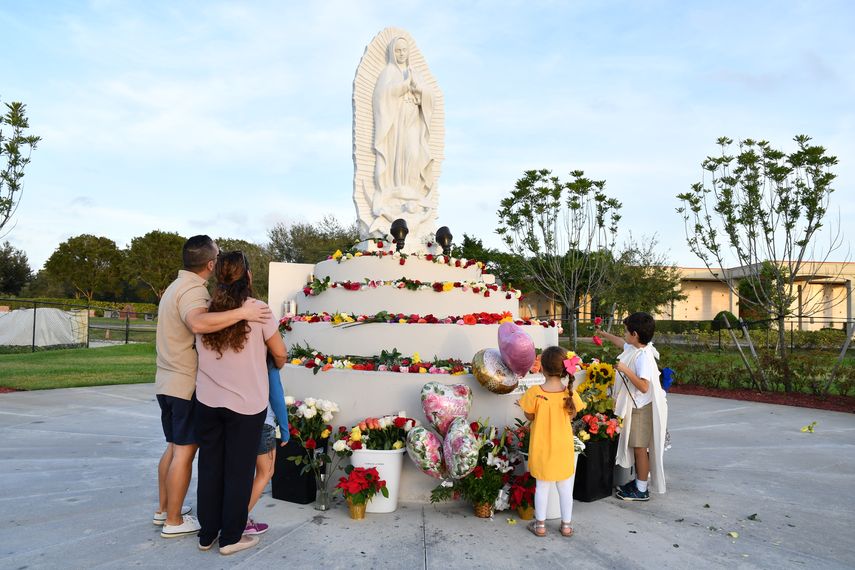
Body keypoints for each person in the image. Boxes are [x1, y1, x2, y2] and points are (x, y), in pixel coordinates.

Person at [155, 235, 271, 538]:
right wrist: (243, 313)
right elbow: (198, 324)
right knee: (184, 453)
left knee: (173, 448)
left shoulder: (174, 286)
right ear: (210, 264)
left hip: (166, 381)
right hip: (184, 383)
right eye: (218, 256)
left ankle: (164, 510)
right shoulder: (194, 292)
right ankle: (174, 521)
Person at [194, 251, 286, 555]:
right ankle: (231, 537)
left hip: (208, 401)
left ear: (218, 275)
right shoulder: (258, 309)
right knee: (238, 471)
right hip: (246, 405)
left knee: (209, 467)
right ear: (247, 275)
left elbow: (197, 326)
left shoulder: (206, 310)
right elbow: (281, 353)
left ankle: (207, 534)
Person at [597, 312, 668, 501]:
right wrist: (604, 334)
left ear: (635, 334)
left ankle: (641, 489)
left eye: (626, 331)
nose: (624, 334)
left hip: (640, 408)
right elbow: (622, 343)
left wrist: (626, 370)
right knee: (637, 446)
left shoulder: (643, 357)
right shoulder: (636, 348)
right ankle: (639, 482)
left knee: (639, 448)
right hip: (638, 406)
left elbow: (644, 386)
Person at [370, 35, 435, 237]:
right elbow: (381, 96)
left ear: (408, 52)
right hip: (396, 121)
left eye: (404, 51)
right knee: (398, 153)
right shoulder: (388, 72)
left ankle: (412, 190)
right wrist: (403, 87)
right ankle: (397, 189)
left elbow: (429, 96)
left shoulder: (415, 72)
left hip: (413, 117)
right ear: (392, 52)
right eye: (397, 51)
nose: (401, 54)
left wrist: (418, 89)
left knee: (413, 153)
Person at [518, 346, 585, 537]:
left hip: (541, 448)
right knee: (565, 488)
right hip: (563, 449)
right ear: (565, 369)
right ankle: (566, 525)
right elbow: (573, 415)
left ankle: (540, 525)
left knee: (542, 487)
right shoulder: (569, 394)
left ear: (542, 368)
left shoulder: (534, 392)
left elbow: (529, 416)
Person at [243, 359, 290, 536]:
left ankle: (233, 516)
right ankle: (239, 520)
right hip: (262, 422)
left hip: (235, 420)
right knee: (265, 472)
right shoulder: (265, 357)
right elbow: (276, 394)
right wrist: (285, 429)